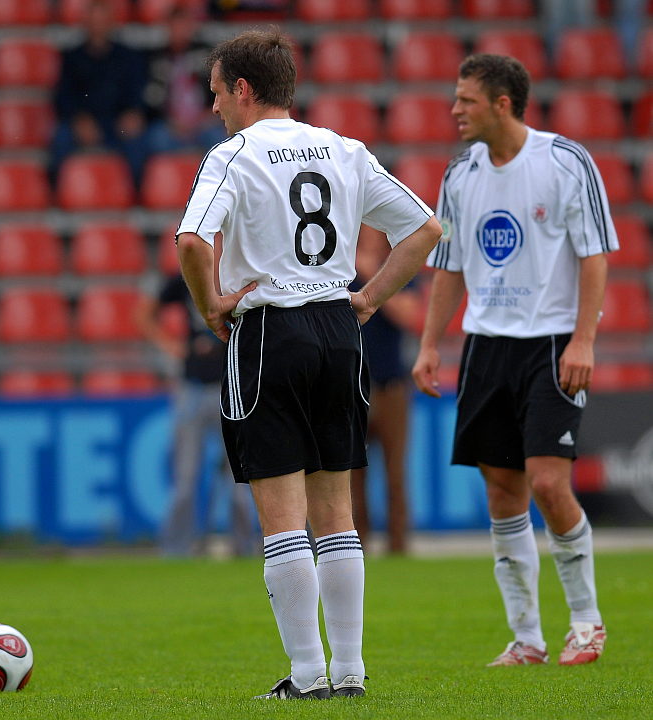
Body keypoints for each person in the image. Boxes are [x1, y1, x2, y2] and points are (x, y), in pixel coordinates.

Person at [176, 28, 441, 699]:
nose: (214, 107)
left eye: (217, 93)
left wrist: (209, 306)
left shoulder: (232, 155)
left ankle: (306, 675)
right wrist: (370, 298)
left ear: (243, 89)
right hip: (337, 329)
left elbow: (191, 241)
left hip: (269, 331)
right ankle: (349, 673)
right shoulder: (345, 149)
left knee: (283, 517)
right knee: (337, 515)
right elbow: (426, 230)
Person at [412, 54, 618, 668]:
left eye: (466, 100)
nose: (454, 110)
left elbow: (595, 255)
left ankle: (586, 622)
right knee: (503, 492)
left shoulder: (565, 162)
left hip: (552, 343)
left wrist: (584, 340)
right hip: (486, 345)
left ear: (502, 105)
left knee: (549, 484)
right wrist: (431, 343)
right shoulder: (460, 173)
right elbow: (449, 266)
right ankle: (527, 637)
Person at [135, 271, 256, 557]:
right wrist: (170, 345)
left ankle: (243, 546)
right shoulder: (186, 278)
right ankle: (177, 549)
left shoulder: (235, 274)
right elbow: (143, 313)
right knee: (187, 477)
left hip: (231, 385)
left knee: (239, 478)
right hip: (196, 387)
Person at [350, 225, 423, 555]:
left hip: (391, 385)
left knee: (395, 472)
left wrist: (373, 278)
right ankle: (355, 546)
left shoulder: (399, 266)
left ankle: (398, 545)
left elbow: (409, 315)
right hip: (351, 386)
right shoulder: (339, 267)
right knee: (351, 475)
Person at [49, 0, 149, 187]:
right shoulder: (72, 58)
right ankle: (58, 191)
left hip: (117, 123)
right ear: (85, 23)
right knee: (61, 137)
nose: (98, 26)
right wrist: (78, 119)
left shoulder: (127, 56)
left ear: (111, 22)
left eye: (102, 21)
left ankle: (135, 194)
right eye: (94, 21)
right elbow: (63, 96)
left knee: (138, 141)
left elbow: (137, 92)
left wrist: (132, 113)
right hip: (82, 123)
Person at [144, 5, 226, 156]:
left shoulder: (208, 55)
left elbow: (221, 91)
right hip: (169, 123)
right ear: (167, 28)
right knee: (156, 138)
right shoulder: (156, 59)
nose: (180, 31)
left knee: (219, 140)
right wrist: (171, 121)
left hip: (204, 121)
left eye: (183, 26)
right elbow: (152, 100)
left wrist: (205, 116)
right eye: (175, 26)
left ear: (191, 27)